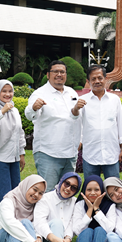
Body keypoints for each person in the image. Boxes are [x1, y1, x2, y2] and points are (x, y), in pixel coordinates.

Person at [25, 60, 82, 189]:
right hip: (48, 152)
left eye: (62, 72)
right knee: (48, 191)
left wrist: (80, 139)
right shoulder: (39, 93)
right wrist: (34, 108)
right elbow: (30, 115)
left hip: (70, 152)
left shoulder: (72, 92)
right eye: (55, 71)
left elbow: (79, 118)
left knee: (67, 191)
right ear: (48, 74)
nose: (59, 74)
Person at [0, 79, 26, 219]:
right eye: (4, 91)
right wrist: (2, 112)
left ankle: (10, 224)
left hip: (13, 158)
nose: (8, 94)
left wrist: (21, 153)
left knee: (14, 195)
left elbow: (19, 133)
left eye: (10, 91)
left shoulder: (14, 110)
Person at [76, 64, 122, 180]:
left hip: (111, 153)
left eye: (100, 78)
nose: (97, 81)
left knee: (113, 187)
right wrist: (79, 142)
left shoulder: (114, 100)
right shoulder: (82, 101)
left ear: (105, 79)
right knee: (91, 187)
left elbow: (120, 125)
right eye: (93, 79)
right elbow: (79, 125)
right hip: (90, 154)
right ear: (88, 81)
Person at [34, 171, 82, 242]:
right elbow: (39, 223)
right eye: (67, 184)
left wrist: (68, 238)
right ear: (61, 182)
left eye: (73, 188)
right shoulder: (46, 198)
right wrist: (53, 239)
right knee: (56, 223)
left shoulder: (74, 202)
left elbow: (72, 223)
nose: (68, 189)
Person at [71, 175, 115, 242]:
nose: (92, 193)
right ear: (84, 191)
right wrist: (89, 210)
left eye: (96, 190)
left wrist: (96, 209)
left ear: (102, 191)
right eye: (89, 189)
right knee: (87, 231)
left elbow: (110, 229)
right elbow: (77, 230)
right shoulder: (80, 205)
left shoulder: (110, 205)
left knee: (100, 230)